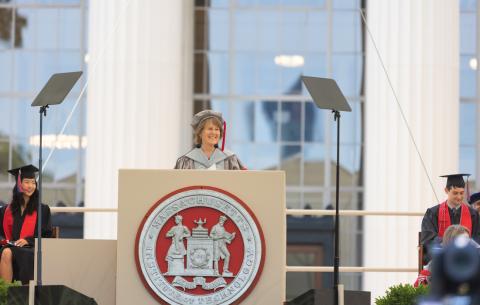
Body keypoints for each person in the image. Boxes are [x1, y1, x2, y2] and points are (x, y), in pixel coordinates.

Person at [0, 164, 53, 283]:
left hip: (32, 248)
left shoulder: (42, 209)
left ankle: (8, 294)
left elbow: (47, 235)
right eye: (27, 182)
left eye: (33, 182)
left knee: (7, 252)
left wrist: (28, 240)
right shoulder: (6, 210)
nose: (31, 186)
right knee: (6, 251)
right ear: (19, 184)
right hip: (13, 246)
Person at [420, 174, 479, 260]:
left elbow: (477, 237)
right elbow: (428, 238)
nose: (459, 197)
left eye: (462, 193)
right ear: (446, 190)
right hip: (441, 257)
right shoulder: (433, 213)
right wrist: (450, 244)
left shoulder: (473, 214)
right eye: (455, 193)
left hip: (466, 257)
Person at [174, 110, 245, 170]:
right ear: (200, 133)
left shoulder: (230, 159)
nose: (214, 132)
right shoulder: (187, 161)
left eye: (217, 129)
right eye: (210, 129)